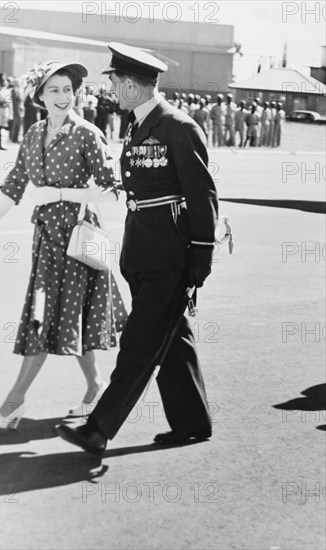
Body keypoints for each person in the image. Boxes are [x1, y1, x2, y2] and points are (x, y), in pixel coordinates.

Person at [56, 42, 218, 457]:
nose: (111, 89)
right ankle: (193, 423)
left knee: (140, 342)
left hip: (169, 255)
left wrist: (201, 257)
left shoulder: (178, 127)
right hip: (143, 251)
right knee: (171, 337)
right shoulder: (140, 124)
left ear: (131, 85)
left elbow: (202, 197)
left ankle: (99, 428)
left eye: (114, 82)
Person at [0, 60, 127, 428]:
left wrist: (58, 192)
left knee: (43, 319)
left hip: (77, 243)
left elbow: (111, 191)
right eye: (54, 89)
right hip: (45, 242)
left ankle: (13, 403)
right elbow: (14, 186)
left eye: (68, 89)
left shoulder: (88, 133)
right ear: (39, 96)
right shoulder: (32, 134)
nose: (63, 97)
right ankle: (95, 387)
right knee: (70, 317)